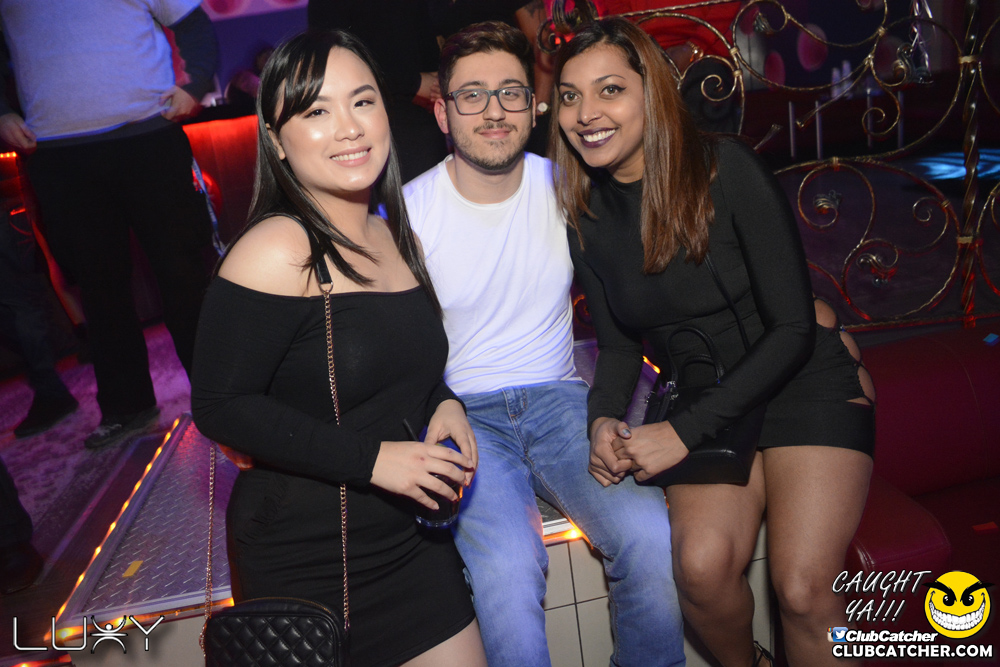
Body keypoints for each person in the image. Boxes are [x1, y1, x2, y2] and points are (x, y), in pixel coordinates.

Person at [551, 17, 875, 667]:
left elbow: (792, 328)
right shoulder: (584, 214)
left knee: (804, 589)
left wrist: (680, 431)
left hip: (799, 378)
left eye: (610, 89)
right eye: (569, 96)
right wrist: (601, 419)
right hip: (704, 390)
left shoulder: (726, 168)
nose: (586, 114)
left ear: (652, 94)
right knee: (700, 571)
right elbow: (619, 347)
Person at [191, 30, 487, 667]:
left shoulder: (394, 236)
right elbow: (219, 405)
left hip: (413, 542)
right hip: (308, 555)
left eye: (363, 101)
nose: (349, 127)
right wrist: (373, 461)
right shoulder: (277, 247)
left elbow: (402, 365)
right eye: (316, 111)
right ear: (277, 140)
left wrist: (446, 403)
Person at [404, 21, 684, 667]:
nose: (494, 110)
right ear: (443, 113)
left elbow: (639, 297)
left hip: (559, 400)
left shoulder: (570, 189)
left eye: (510, 92)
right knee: (506, 569)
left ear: (534, 106)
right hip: (461, 412)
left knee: (648, 534)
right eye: (472, 95)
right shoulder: (410, 213)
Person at [0, 0, 218, 450]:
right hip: (59, 155)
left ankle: (220, 395)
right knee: (98, 288)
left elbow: (193, 23)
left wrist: (195, 83)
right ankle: (127, 406)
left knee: (183, 271)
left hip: (148, 138)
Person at [307, 0, 447, 182]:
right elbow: (331, 50)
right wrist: (414, 83)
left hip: (427, 108)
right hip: (382, 112)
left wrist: (438, 78)